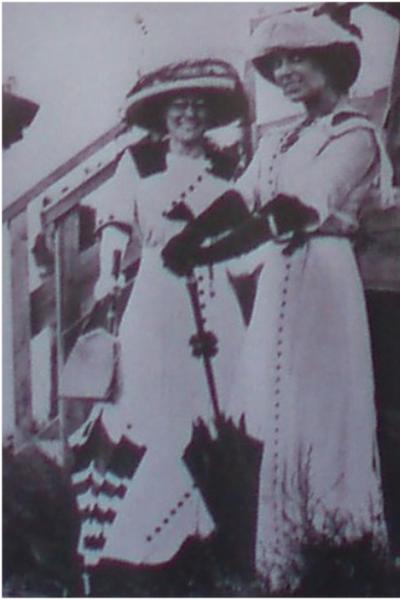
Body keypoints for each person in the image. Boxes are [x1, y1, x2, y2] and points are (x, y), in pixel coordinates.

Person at [163, 9, 393, 592]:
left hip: (324, 282)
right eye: (277, 64)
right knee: (278, 414)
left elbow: (294, 209)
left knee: (323, 416)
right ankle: (284, 564)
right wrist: (192, 234)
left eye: (298, 60)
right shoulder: (281, 137)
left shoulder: (355, 135)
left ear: (331, 64)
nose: (285, 73)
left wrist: (213, 253)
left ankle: (341, 553)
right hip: (281, 279)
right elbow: (243, 199)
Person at [69, 58, 248, 590]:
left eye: (199, 106)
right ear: (163, 114)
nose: (189, 115)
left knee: (212, 403)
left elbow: (239, 231)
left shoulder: (228, 164)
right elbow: (116, 219)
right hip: (158, 295)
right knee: (150, 405)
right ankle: (140, 539)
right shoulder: (139, 161)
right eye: (179, 106)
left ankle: (205, 531)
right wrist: (109, 274)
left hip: (212, 296)